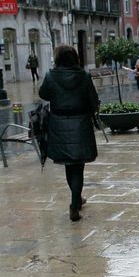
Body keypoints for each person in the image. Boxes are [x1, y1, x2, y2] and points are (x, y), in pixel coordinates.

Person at [38, 45, 101, 222]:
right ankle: (75, 203)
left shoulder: (51, 76)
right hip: (80, 125)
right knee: (78, 166)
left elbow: (43, 93)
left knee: (68, 164)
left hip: (59, 125)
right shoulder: (84, 76)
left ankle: (76, 199)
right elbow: (94, 101)